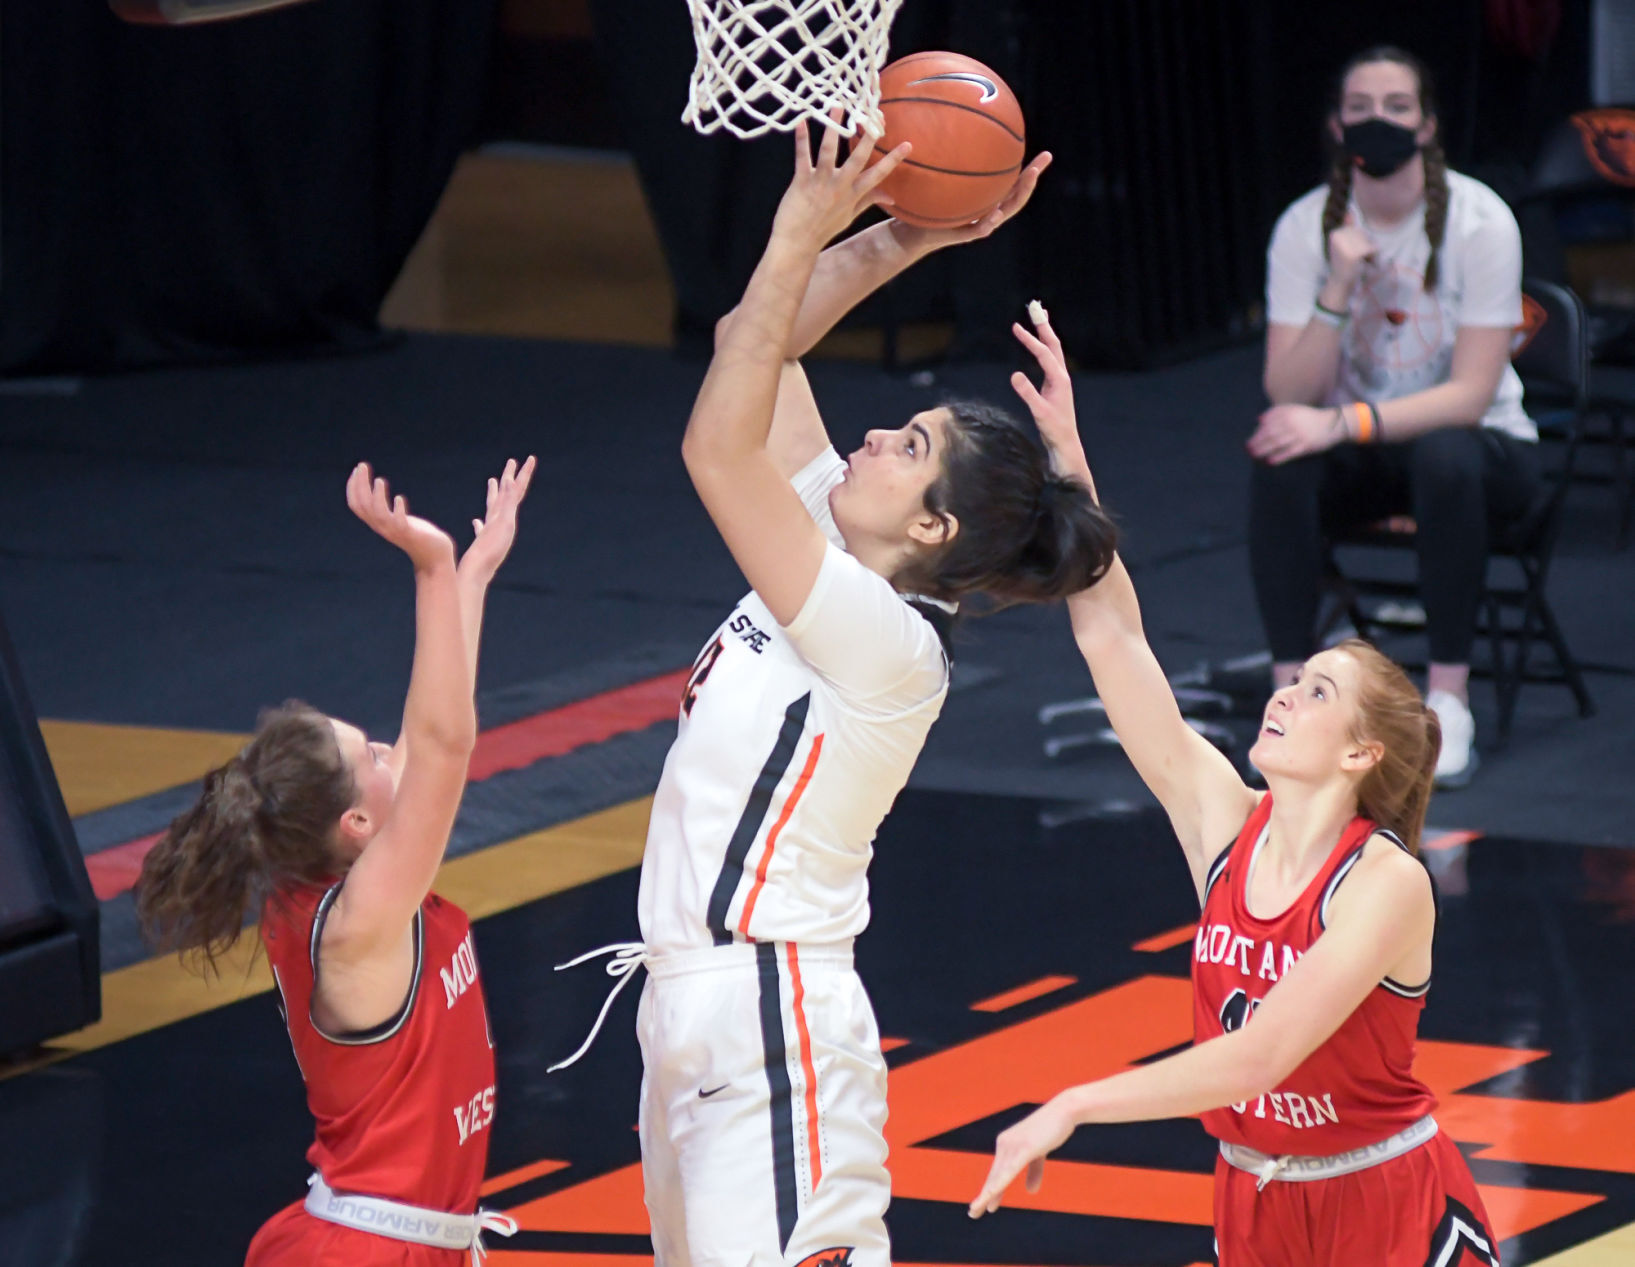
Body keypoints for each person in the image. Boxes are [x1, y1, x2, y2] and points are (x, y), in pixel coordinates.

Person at [551, 119, 1117, 1267]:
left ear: (933, 528)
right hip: (701, 1004)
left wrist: (797, 229)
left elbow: (717, 445)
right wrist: (907, 234)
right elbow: (752, 344)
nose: (872, 437)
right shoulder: (835, 545)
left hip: (771, 1019)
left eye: (906, 445)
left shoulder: (890, 641)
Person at [967, 314, 1499, 1266]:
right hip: (1249, 1196)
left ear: (1360, 756)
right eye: (1296, 679)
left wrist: (1073, 1102)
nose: (1286, 694)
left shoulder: (1383, 882)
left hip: (1380, 1200)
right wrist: (1068, 460)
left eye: (1318, 691)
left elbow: (1262, 1056)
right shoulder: (1221, 818)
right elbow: (1115, 641)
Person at [135, 457, 535, 1266]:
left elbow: (429, 730)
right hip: (362, 1249)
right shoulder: (359, 922)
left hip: (394, 1239)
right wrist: (432, 568)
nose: (393, 750)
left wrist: (471, 576)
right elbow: (444, 741)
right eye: (374, 756)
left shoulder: (334, 881)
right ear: (355, 821)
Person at [1248, 45, 1540, 788]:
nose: (1377, 122)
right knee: (1279, 452)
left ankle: (1447, 697)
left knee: (1445, 453)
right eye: (1360, 110)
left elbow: (1471, 395)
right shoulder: (1303, 227)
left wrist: (1342, 423)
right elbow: (1288, 389)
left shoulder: (1479, 221)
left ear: (1428, 125)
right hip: (1373, 454)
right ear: (1335, 127)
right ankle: (1290, 693)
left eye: (1396, 108)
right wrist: (1337, 284)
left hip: (1485, 453)